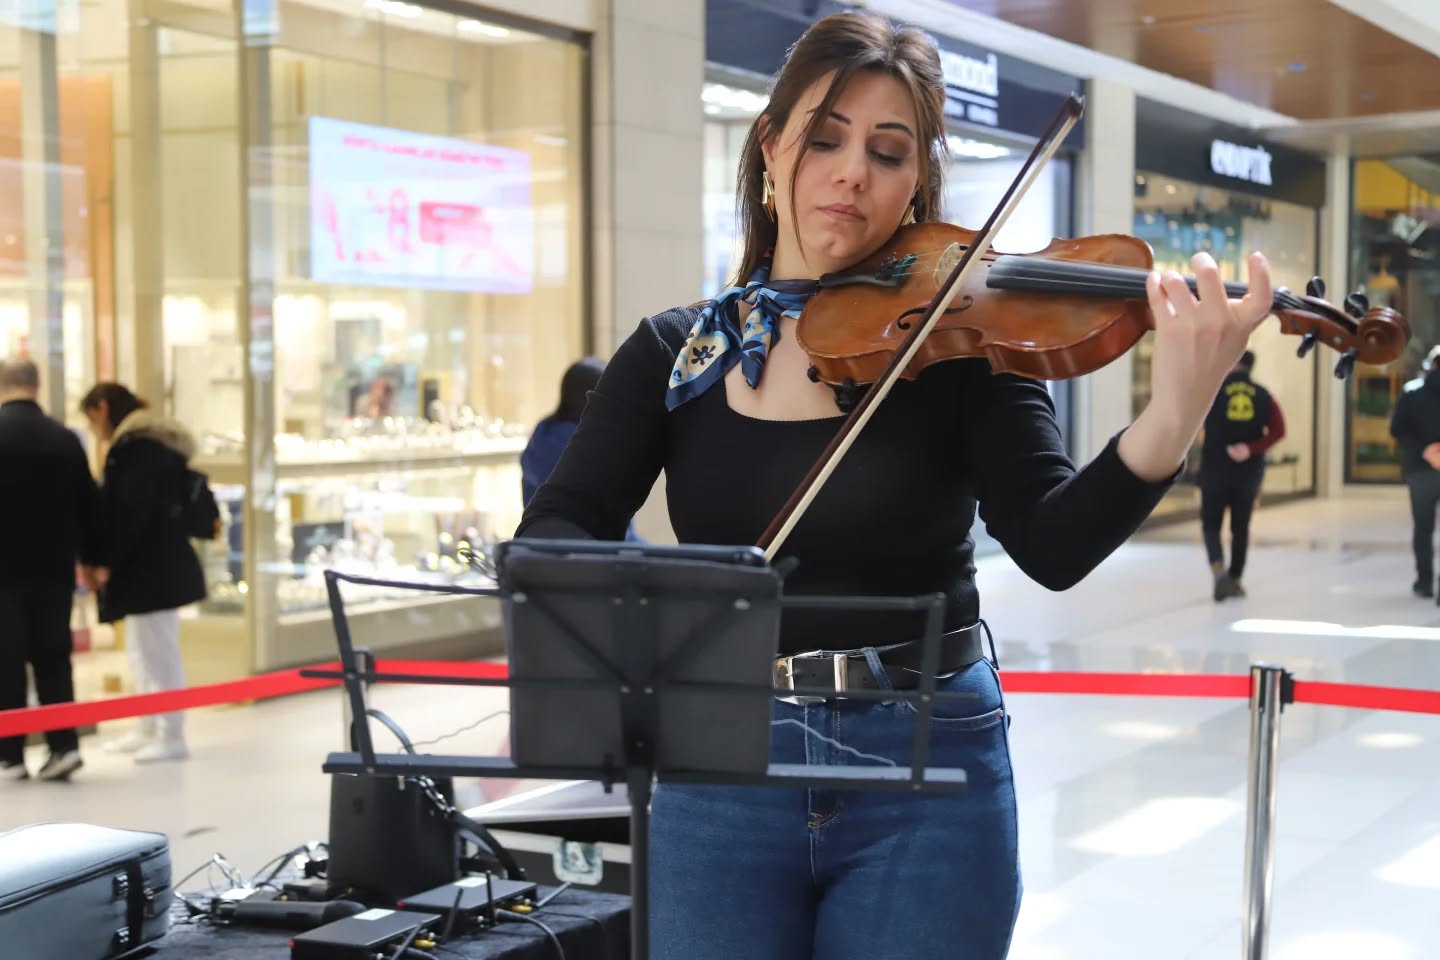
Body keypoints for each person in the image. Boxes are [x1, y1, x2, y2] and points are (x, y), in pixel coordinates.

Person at [516, 11, 1273, 957]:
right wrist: (649, 613)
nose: (852, 174)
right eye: (825, 139)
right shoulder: (677, 355)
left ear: (917, 181)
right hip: (721, 761)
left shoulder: (961, 343)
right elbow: (561, 526)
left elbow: (1053, 544)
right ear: (770, 147)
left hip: (926, 757)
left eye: (887, 152)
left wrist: (1178, 409)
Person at [81, 383, 207, 763]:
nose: (94, 429)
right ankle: (150, 725)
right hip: (151, 567)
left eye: (92, 419)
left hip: (153, 569)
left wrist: (105, 560)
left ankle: (171, 732)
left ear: (103, 408)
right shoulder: (148, 446)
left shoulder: (136, 449)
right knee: (142, 648)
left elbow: (130, 513)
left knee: (158, 651)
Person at [0, 358, 105, 782]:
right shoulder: (63, 438)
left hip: (4, 571)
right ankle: (64, 746)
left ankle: (9, 755)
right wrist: (93, 560)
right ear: (37, 386)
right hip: (53, 567)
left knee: (6, 660)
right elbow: (88, 505)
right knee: (53, 657)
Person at [1197, 350, 1285, 601]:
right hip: (1248, 473)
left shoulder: (1212, 392)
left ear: (1234, 363)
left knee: (1211, 525)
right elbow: (1279, 430)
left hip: (1214, 469)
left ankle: (1219, 572)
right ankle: (1235, 580)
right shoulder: (1264, 395)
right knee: (1240, 527)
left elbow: (1193, 423)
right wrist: (1251, 448)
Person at [521, 357, 640, 542]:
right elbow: (610, 526)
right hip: (586, 552)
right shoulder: (589, 447)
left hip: (541, 548)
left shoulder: (542, 435)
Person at [1389, 344, 1440, 599]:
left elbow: (1397, 428)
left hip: (1420, 470)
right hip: (1422, 469)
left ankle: (1425, 581)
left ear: (1432, 365)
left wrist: (1426, 451)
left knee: (1423, 528)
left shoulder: (1412, 392)